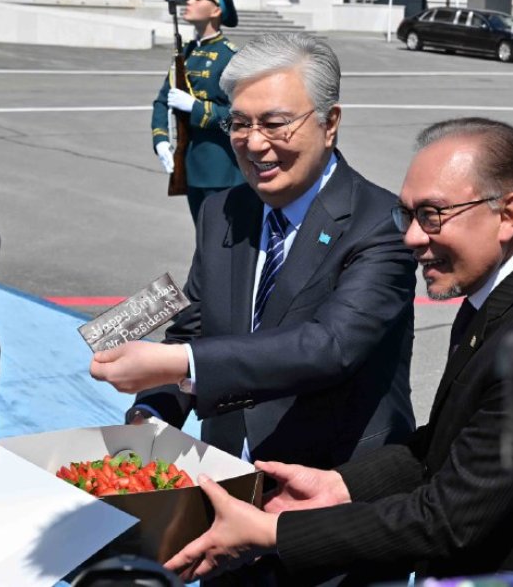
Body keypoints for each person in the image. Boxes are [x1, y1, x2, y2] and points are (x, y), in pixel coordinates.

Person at [162, 118, 513, 584]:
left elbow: (447, 521)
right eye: (407, 215)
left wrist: (276, 531)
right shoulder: (503, 291)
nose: (411, 237)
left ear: (508, 214)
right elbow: (450, 443)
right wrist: (341, 484)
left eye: (432, 215)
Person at [92, 33, 416, 473]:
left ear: (330, 122)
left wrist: (181, 363)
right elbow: (194, 329)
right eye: (240, 123)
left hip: (332, 487)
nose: (255, 142)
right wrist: (152, 414)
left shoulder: (380, 222)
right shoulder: (223, 211)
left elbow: (330, 346)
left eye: (276, 122)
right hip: (224, 472)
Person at [151, 0, 245, 221]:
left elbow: (238, 116)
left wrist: (195, 107)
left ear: (216, 10)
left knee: (223, 247)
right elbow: (161, 101)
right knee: (204, 242)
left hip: (223, 171)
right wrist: (160, 141)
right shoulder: (185, 55)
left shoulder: (231, 58)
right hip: (191, 168)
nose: (189, 1)